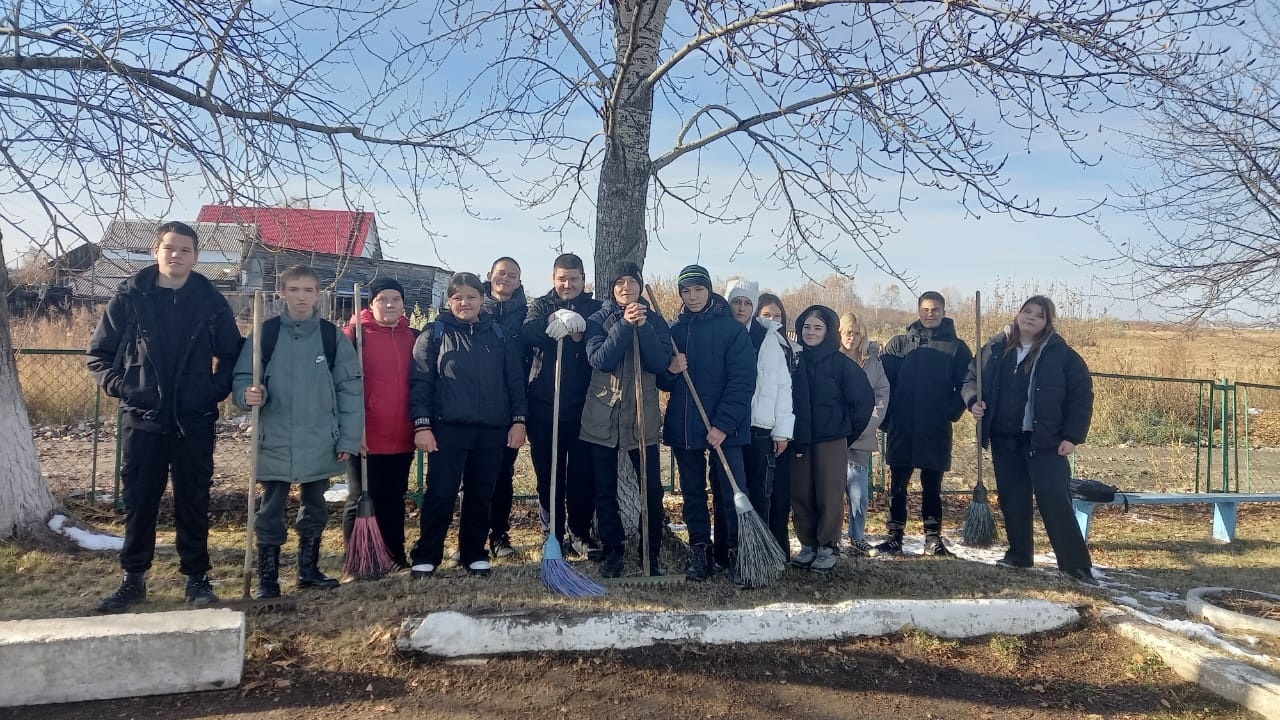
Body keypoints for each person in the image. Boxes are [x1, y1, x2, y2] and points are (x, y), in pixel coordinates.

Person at [87, 221, 242, 613]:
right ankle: (133, 579)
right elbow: (99, 357)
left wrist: (212, 391)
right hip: (143, 420)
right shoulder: (131, 298)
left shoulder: (210, 301)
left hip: (194, 420)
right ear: (157, 251)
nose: (177, 256)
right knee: (141, 501)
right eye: (170, 248)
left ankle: (197, 579)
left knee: (194, 500)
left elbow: (231, 355)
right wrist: (126, 388)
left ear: (195, 256)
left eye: (185, 250)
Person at [234, 265, 363, 598]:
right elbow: (244, 377)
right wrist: (247, 394)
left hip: (320, 435)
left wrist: (349, 436)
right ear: (282, 293)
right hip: (274, 434)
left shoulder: (332, 337)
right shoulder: (266, 334)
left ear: (317, 294)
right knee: (270, 507)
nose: (301, 297)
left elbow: (349, 389)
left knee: (315, 505)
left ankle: (308, 569)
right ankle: (267, 577)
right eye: (294, 290)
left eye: (308, 290)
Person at [964, 296, 1098, 585]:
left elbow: (1082, 397)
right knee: (1013, 499)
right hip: (1004, 438)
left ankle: (1076, 566)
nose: (1031, 318)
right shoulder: (996, 349)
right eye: (1028, 311)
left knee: (1055, 501)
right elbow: (972, 379)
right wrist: (973, 401)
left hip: (1046, 441)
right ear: (1018, 314)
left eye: (1039, 315)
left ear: (1047, 322)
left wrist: (1072, 437)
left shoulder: (1062, 355)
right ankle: (1020, 554)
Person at [409, 272, 528, 578]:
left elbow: (514, 382)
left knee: (481, 493)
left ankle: (474, 552)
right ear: (449, 301)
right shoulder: (434, 334)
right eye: (458, 297)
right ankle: (427, 553)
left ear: (482, 299)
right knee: (441, 493)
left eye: (471, 296)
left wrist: (518, 421)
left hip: (491, 430)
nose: (465, 302)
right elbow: (421, 382)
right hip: (447, 429)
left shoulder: (498, 336)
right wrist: (421, 425)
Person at [658, 264, 756, 583]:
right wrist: (671, 369)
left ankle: (736, 553)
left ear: (709, 290)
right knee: (693, 494)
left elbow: (742, 381)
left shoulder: (731, 330)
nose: (693, 296)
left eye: (698, 289)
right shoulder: (675, 332)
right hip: (686, 425)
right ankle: (700, 550)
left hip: (725, 429)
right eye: (686, 291)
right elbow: (663, 381)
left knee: (731, 492)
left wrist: (723, 424)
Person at [581, 262, 673, 577]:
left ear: (640, 285)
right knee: (604, 490)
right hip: (601, 417)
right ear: (612, 288)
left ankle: (651, 554)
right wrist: (623, 325)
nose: (625, 287)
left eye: (631, 282)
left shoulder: (657, 322)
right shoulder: (598, 320)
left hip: (641, 419)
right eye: (619, 282)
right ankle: (613, 552)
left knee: (652, 492)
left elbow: (660, 362)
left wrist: (643, 326)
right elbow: (601, 360)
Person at [877, 291, 973, 557]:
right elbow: (884, 384)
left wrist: (949, 411)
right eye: (926, 309)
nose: (930, 314)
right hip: (903, 426)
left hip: (935, 427)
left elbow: (966, 382)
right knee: (897, 486)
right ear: (918, 311)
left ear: (944, 311)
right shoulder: (899, 344)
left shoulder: (957, 347)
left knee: (932, 486)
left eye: (936, 309)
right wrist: (888, 420)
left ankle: (933, 538)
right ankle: (894, 536)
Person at [522, 253, 603, 560]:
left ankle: (580, 532)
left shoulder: (593, 307)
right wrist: (551, 321)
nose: (567, 285)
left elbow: (599, 339)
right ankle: (553, 533)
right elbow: (527, 333)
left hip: (584, 406)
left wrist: (580, 333)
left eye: (574, 279)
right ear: (553, 279)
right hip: (545, 405)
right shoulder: (541, 305)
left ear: (583, 280)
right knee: (549, 474)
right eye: (562, 279)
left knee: (582, 474)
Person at [790, 306, 875, 572]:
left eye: (818, 328)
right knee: (801, 492)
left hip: (832, 440)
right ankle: (807, 544)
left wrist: (846, 433)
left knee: (829, 494)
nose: (811, 332)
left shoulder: (842, 365)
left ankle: (827, 546)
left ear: (828, 332)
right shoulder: (794, 361)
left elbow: (863, 401)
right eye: (807, 327)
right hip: (800, 438)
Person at [341, 277, 417, 570]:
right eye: (382, 299)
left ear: (402, 303)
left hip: (400, 434)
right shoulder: (354, 336)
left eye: (395, 299)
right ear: (371, 304)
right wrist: (351, 428)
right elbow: (343, 386)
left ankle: (394, 555)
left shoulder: (411, 336)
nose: (389, 305)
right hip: (365, 434)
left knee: (394, 498)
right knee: (360, 497)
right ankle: (357, 560)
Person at [721, 278, 793, 564]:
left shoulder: (769, 339)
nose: (741, 308)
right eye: (736, 302)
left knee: (761, 493)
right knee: (729, 493)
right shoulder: (721, 333)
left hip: (761, 427)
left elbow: (782, 386)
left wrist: (782, 430)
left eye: (747, 303)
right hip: (728, 427)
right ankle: (728, 552)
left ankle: (759, 554)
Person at [482, 257, 528, 559]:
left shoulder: (526, 314)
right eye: (501, 274)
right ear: (490, 276)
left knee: (502, 474)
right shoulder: (473, 307)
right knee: (473, 476)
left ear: (519, 282)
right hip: (476, 404)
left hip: (511, 404)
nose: (506, 279)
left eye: (512, 275)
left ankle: (499, 534)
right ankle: (471, 535)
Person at [839, 311, 890, 557]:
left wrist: (869, 424)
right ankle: (831, 537)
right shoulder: (832, 358)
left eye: (857, 333)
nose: (852, 337)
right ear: (840, 333)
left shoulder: (872, 361)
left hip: (861, 438)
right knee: (832, 493)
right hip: (834, 437)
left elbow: (882, 393)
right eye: (848, 332)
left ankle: (857, 537)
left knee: (859, 493)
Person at [756, 292, 799, 556]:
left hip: (781, 429)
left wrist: (783, 430)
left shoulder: (788, 347)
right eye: (766, 315)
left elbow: (786, 391)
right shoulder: (750, 340)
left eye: (776, 316)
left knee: (780, 493)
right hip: (757, 428)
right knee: (760, 492)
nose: (772, 320)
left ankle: (779, 545)